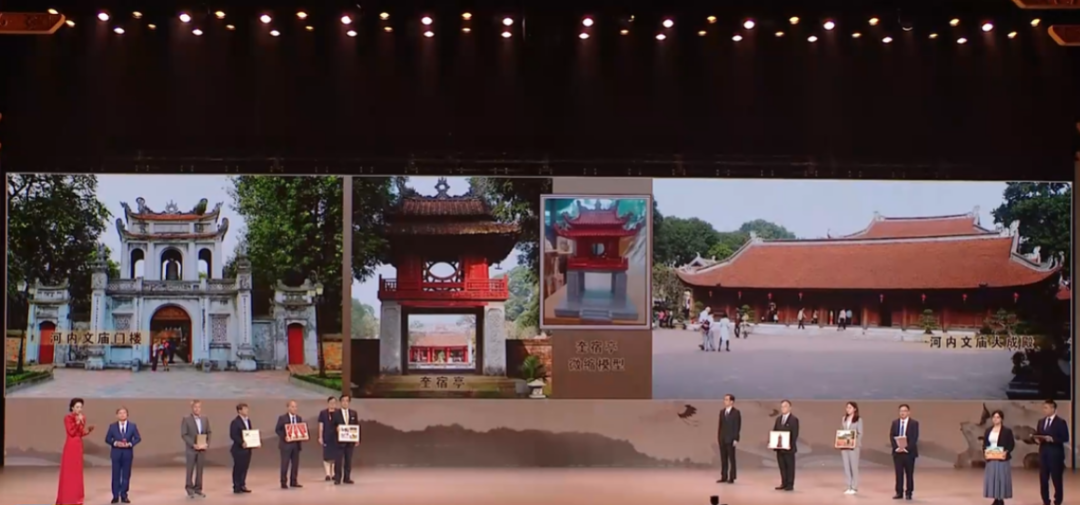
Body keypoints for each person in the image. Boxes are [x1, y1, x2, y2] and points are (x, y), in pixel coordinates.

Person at [57, 398, 95, 505]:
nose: (79, 409)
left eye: (81, 407)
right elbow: (71, 432)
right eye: (77, 407)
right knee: (69, 472)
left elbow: (80, 433)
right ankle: (66, 498)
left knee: (77, 472)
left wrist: (88, 430)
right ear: (72, 407)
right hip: (70, 446)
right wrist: (78, 422)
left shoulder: (83, 417)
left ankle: (76, 497)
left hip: (78, 445)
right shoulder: (68, 418)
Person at [1034, 399, 1068, 505]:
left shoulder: (1061, 422)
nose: (1044, 410)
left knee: (1056, 480)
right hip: (1043, 454)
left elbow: (1065, 437)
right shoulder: (1041, 422)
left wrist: (1053, 439)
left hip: (1056, 455)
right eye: (1043, 408)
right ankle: (1045, 500)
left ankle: (1058, 500)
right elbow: (1039, 434)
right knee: (1043, 479)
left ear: (1053, 408)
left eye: (1046, 408)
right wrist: (1037, 439)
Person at [104, 407, 141, 504]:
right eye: (120, 413)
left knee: (126, 475)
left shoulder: (132, 426)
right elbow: (107, 439)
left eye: (124, 413)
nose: (122, 414)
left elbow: (138, 438)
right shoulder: (112, 426)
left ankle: (124, 495)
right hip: (116, 453)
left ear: (127, 414)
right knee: (115, 475)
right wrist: (115, 443)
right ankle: (115, 496)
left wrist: (130, 444)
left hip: (127, 453)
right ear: (117, 415)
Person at [983, 410, 1015, 505]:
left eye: (997, 417)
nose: (995, 419)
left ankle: (1001, 499)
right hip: (991, 457)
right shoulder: (988, 430)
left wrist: (1006, 451)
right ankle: (995, 498)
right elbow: (985, 443)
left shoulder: (1007, 431)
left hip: (1002, 458)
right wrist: (985, 452)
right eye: (994, 417)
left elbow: (1011, 444)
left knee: (1001, 478)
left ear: (1001, 419)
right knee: (993, 478)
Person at [180, 399, 210, 499]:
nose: (197, 409)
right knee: (190, 470)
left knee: (200, 470)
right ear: (192, 408)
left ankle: (198, 489)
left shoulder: (205, 419)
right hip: (191, 449)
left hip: (202, 449)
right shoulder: (186, 419)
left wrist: (206, 443)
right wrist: (193, 445)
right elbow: (184, 434)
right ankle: (189, 489)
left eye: (199, 407)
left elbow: (208, 432)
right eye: (195, 407)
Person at [890, 403, 919, 500]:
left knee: (909, 474)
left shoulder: (914, 423)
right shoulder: (895, 423)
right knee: (898, 473)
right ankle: (899, 492)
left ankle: (909, 493)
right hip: (897, 453)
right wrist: (897, 447)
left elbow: (914, 438)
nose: (902, 413)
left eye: (904, 411)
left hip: (909, 453)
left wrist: (906, 448)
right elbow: (892, 436)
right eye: (901, 411)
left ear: (908, 412)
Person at [275, 400, 305, 489]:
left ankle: (294, 481)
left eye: (296, 407)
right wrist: (284, 436)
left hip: (296, 444)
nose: (294, 408)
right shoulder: (282, 418)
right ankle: (283, 482)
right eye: (292, 407)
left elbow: (301, 430)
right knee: (285, 463)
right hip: (286, 445)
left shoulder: (299, 418)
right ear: (288, 408)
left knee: (295, 464)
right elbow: (277, 430)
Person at [332, 395, 360, 485]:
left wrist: (357, 438)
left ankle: (347, 478)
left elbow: (356, 426)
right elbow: (332, 426)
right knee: (338, 461)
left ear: (349, 402)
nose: (345, 402)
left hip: (350, 441)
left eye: (347, 401)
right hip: (339, 441)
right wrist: (336, 428)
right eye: (343, 401)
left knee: (348, 460)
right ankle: (337, 478)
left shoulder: (353, 413)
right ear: (340, 402)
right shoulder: (336, 413)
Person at [772, 400, 799, 491]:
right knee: (782, 466)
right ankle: (783, 483)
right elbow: (775, 431)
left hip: (789, 448)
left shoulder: (794, 420)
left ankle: (790, 484)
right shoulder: (778, 419)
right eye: (782, 406)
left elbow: (795, 434)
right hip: (780, 448)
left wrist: (790, 444)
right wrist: (773, 442)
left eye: (785, 406)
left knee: (790, 467)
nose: (783, 408)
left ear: (790, 408)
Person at [229, 403, 255, 494]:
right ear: (239, 411)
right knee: (238, 467)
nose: (247, 411)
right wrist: (241, 442)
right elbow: (233, 435)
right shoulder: (235, 422)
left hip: (247, 449)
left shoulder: (248, 421)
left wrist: (254, 442)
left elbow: (250, 433)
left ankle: (242, 484)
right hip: (238, 449)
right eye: (245, 409)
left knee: (245, 467)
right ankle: (236, 486)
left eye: (247, 409)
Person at [716, 394, 741, 484]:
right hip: (722, 438)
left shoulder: (736, 413)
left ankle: (732, 477)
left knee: (731, 459)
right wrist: (719, 437)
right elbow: (720, 426)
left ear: (731, 402)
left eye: (727, 400)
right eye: (724, 399)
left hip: (731, 439)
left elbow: (737, 426)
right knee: (723, 459)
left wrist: (736, 439)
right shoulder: (722, 412)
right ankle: (724, 476)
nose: (725, 401)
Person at [839, 402, 863, 495]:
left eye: (850, 407)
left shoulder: (858, 420)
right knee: (846, 466)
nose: (848, 409)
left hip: (854, 446)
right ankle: (848, 485)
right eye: (847, 407)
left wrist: (854, 442)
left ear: (855, 409)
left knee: (854, 467)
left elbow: (860, 433)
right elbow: (842, 431)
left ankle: (854, 487)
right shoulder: (844, 419)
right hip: (844, 445)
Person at [318, 396, 339, 481]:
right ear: (328, 403)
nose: (332, 404)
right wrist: (320, 437)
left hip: (336, 437)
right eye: (331, 402)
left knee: (335, 455)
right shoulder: (323, 413)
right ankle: (327, 474)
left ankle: (333, 473)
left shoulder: (338, 412)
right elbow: (321, 425)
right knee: (326, 455)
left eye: (334, 403)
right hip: (326, 436)